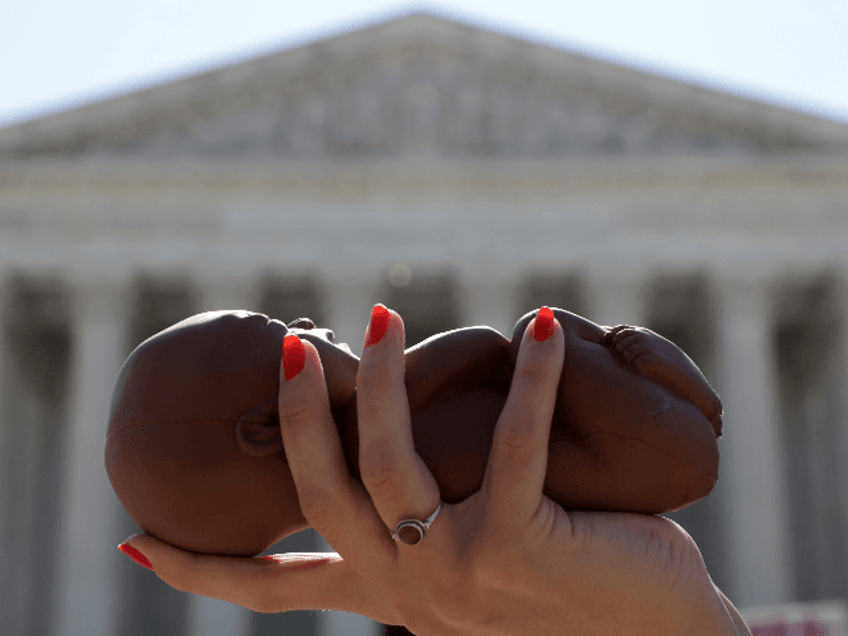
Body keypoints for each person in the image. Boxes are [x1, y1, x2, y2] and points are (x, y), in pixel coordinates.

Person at [117, 305, 750, 635]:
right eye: (285, 330)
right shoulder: (409, 439)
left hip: (640, 444)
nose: (308, 324)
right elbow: (480, 346)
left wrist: (681, 622)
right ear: (261, 429)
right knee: (544, 335)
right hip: (639, 437)